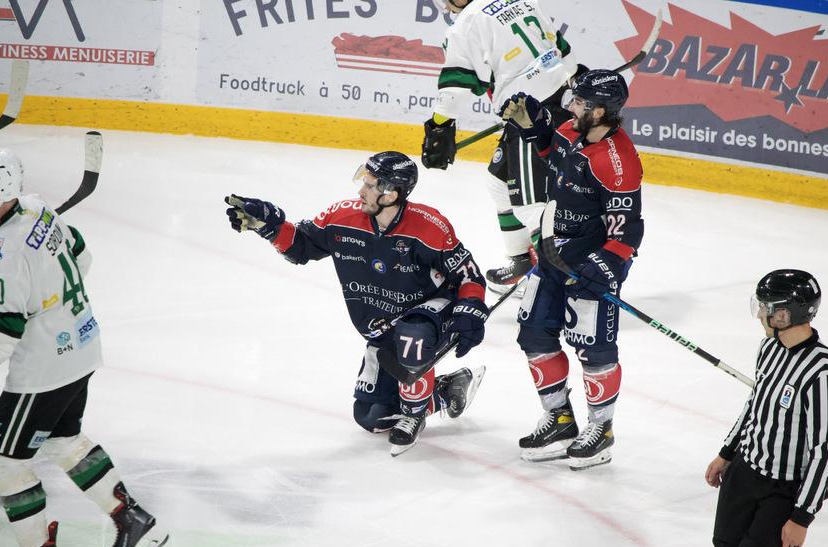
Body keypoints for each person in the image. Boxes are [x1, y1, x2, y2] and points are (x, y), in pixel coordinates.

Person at [0, 148, 168, 547]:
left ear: (0, 190)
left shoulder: (0, 250)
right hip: (82, 343)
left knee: (4, 457)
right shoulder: (39, 208)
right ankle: (132, 519)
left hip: (44, 366)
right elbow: (81, 256)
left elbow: (6, 329)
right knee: (63, 440)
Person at [224, 151, 487, 455]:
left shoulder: (429, 226)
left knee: (411, 337)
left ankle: (413, 417)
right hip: (382, 328)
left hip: (430, 314)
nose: (361, 191)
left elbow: (469, 276)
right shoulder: (343, 217)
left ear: (392, 193)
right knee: (372, 417)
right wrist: (270, 227)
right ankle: (445, 391)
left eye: (372, 184)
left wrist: (469, 312)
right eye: (364, 181)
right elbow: (301, 246)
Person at [498, 69, 643, 469]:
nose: (571, 107)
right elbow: (552, 149)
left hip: (591, 263)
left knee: (593, 347)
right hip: (552, 252)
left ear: (600, 112)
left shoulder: (618, 162)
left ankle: (601, 429)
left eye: (579, 103)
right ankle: (560, 419)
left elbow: (628, 229)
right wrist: (535, 124)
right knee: (533, 332)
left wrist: (606, 264)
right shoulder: (571, 130)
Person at [422, 0, 587, 294]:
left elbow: (456, 87)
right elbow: (559, 45)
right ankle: (521, 260)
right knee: (499, 182)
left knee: (530, 207)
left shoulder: (466, 23)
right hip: (553, 100)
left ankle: (563, 284)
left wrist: (440, 125)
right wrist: (576, 74)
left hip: (527, 114)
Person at [705, 269, 828, 547]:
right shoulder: (768, 348)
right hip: (743, 473)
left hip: (780, 492)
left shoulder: (824, 373)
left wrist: (802, 517)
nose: (761, 315)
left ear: (787, 313)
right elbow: (754, 405)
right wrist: (727, 453)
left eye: (767, 307)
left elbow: (824, 451)